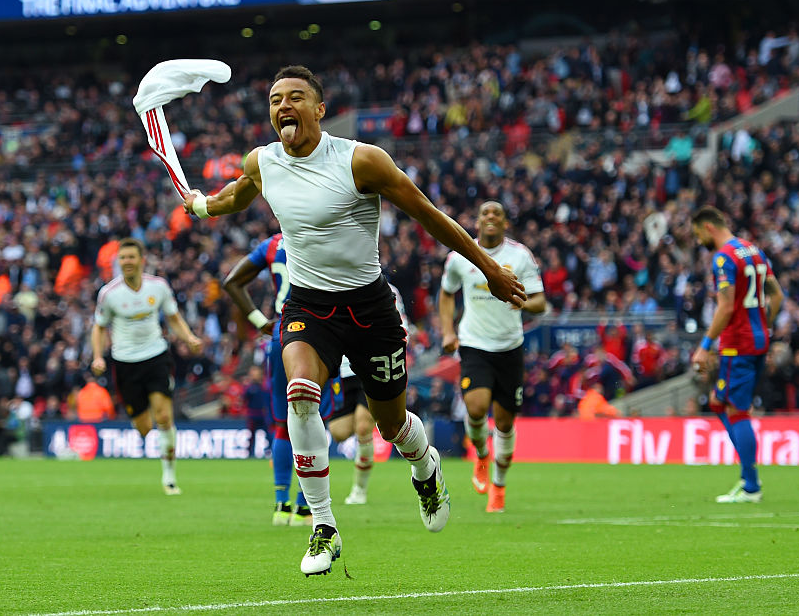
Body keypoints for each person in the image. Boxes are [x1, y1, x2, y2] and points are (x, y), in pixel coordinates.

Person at [180, 65, 525, 576]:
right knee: (300, 393)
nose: (283, 107)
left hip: (369, 309)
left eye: (296, 97)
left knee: (391, 425)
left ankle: (425, 465)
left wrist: (490, 268)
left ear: (320, 109)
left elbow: (429, 214)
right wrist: (204, 205)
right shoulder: (263, 161)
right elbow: (237, 194)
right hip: (306, 306)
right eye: (275, 100)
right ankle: (324, 526)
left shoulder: (361, 160)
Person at [438, 200, 546, 513]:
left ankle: (498, 486)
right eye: (485, 212)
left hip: (510, 347)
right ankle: (481, 453)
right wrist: (447, 331)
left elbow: (540, 301)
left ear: (504, 223)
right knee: (475, 407)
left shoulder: (520, 255)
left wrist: (522, 301)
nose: (490, 217)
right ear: (477, 220)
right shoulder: (460, 255)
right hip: (474, 344)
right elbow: (446, 292)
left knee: (504, 422)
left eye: (497, 213)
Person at [222, 233, 328, 527]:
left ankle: (281, 505)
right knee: (315, 417)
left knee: (283, 423)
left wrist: (260, 322)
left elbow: (231, 282)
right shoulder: (325, 232)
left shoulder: (272, 244)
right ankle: (306, 507)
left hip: (282, 333)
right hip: (319, 331)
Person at [91, 237, 202, 495]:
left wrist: (189, 338)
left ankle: (170, 478)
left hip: (156, 356)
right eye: (123, 258)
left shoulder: (159, 287)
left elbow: (173, 318)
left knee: (164, 416)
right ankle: (149, 429)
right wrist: (98, 356)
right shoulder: (109, 293)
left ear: (142, 261)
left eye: (131, 257)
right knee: (144, 428)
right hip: (126, 363)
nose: (127, 262)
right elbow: (99, 327)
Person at [690, 206, 784, 504]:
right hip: (757, 339)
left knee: (736, 410)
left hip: (736, 343)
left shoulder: (723, 257)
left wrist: (705, 345)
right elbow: (777, 295)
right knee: (719, 402)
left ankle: (751, 486)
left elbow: (727, 306)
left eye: (698, 234)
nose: (698, 241)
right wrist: (764, 327)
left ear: (708, 227)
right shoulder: (752, 250)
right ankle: (748, 477)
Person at [329, 282, 408, 506]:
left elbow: (403, 325)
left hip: (371, 365)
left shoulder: (389, 291)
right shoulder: (333, 286)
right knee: (339, 432)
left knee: (363, 427)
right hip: (343, 371)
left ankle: (359, 490)